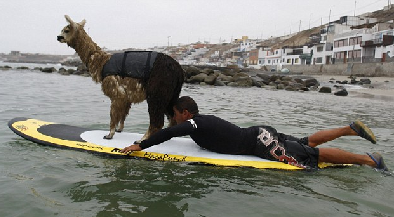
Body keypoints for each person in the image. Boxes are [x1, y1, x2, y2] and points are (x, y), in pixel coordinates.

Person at [121, 96, 389, 171]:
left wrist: (139, 145)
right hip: (261, 134)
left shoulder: (194, 124)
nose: (173, 119)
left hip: (260, 143)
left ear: (185, 113)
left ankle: (369, 160)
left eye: (175, 114)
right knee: (305, 142)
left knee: (311, 156)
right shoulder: (200, 123)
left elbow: (169, 134)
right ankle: (350, 129)